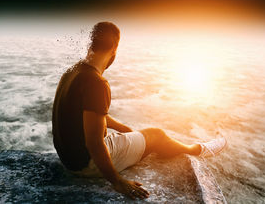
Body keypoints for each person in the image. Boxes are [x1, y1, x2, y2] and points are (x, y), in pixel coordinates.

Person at [52, 21, 227, 200]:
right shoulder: (97, 83)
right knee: (157, 135)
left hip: (69, 160)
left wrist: (126, 131)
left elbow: (90, 115)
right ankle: (197, 150)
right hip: (86, 164)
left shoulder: (73, 71)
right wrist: (118, 182)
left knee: (139, 136)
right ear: (114, 48)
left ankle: (152, 144)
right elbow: (95, 144)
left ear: (91, 43)